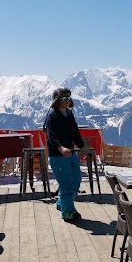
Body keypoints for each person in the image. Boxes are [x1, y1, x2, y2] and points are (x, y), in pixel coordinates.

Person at [46, 87, 85, 222]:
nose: (67, 101)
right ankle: (68, 212)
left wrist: (82, 146)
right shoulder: (53, 116)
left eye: (69, 98)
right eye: (64, 98)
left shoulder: (69, 114)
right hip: (58, 156)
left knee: (77, 179)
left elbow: (75, 131)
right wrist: (61, 148)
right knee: (67, 183)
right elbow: (51, 137)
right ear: (57, 100)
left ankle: (62, 203)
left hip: (71, 153)